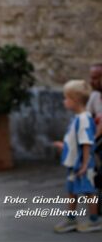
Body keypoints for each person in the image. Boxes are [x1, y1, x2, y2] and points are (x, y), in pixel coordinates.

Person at [53, 80, 101, 233]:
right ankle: (71, 219)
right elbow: (76, 141)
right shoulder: (78, 118)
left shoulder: (84, 119)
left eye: (66, 98)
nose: (64, 101)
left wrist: (85, 164)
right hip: (75, 163)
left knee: (88, 191)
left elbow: (87, 143)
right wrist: (64, 146)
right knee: (72, 190)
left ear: (75, 100)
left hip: (82, 164)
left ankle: (95, 220)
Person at [87, 63, 102, 215]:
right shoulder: (95, 96)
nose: (92, 81)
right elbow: (88, 116)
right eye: (91, 78)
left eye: (96, 78)